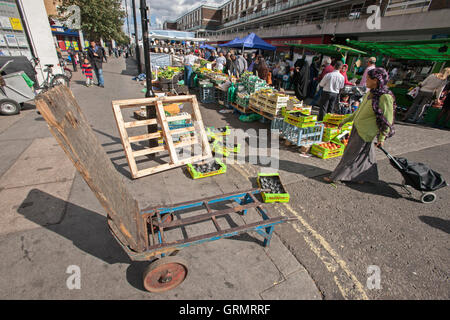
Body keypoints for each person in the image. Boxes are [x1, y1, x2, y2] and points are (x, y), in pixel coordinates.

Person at [324, 67, 395, 184]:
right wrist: (345, 120)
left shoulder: (385, 97)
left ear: (376, 80)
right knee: (364, 155)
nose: (365, 81)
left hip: (366, 131)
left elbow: (387, 119)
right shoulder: (371, 93)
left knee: (350, 154)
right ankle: (363, 177)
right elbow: (358, 111)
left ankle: (335, 177)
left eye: (368, 79)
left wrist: (382, 138)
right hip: (358, 128)